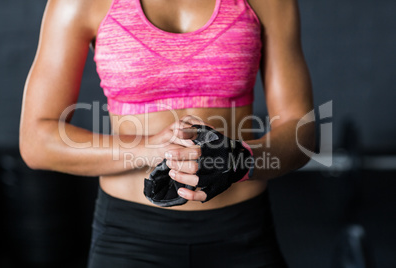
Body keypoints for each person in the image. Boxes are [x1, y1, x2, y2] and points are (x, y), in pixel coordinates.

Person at [20, 0, 315, 267]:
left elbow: (303, 133)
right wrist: (150, 149)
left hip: (242, 233)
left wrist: (242, 160)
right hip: (129, 239)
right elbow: (36, 141)